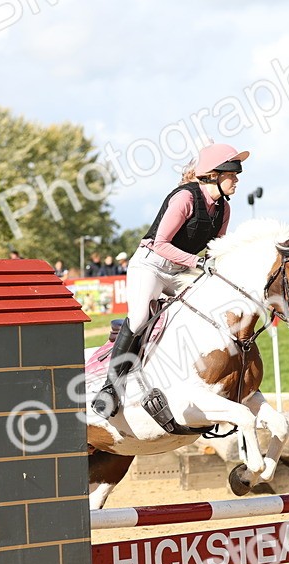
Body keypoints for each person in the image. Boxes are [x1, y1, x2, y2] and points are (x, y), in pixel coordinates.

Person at [90, 142, 248, 417]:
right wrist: (198, 262)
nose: (236, 181)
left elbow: (216, 250)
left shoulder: (224, 209)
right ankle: (110, 388)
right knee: (139, 319)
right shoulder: (184, 199)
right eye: (231, 175)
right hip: (150, 265)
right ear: (213, 175)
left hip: (181, 270)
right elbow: (160, 243)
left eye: (236, 176)